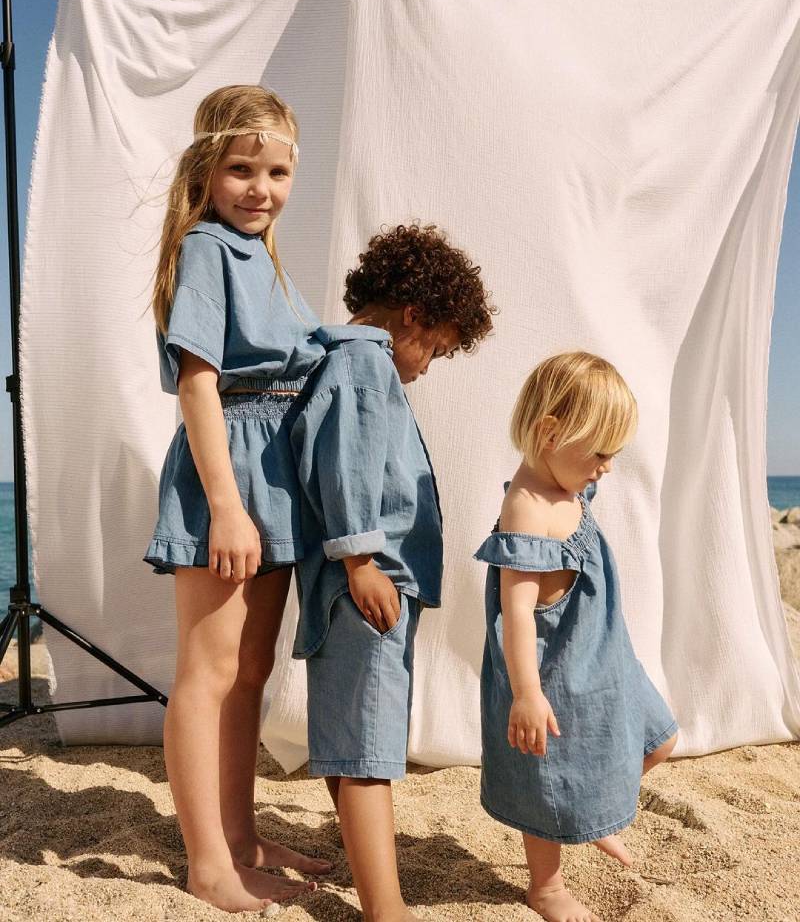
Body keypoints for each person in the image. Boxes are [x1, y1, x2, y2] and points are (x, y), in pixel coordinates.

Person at [144, 84, 331, 913]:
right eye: (241, 169)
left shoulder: (267, 261)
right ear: (206, 171)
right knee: (210, 671)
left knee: (251, 672)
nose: (261, 189)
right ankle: (207, 864)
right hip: (229, 476)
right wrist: (225, 505)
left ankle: (240, 834)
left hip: (275, 478)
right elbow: (198, 384)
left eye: (277, 172)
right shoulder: (207, 248)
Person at [290, 224, 496, 922]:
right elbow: (345, 466)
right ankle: (387, 908)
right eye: (434, 347)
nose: (430, 366)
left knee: (351, 740)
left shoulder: (347, 361)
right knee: (369, 750)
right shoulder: (363, 363)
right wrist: (360, 560)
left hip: (359, 579)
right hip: (371, 580)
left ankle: (371, 878)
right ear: (413, 314)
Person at [476, 351, 679, 922]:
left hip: (603, 657)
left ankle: (590, 812)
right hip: (554, 675)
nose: (607, 468)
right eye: (600, 453)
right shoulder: (527, 510)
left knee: (659, 739)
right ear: (550, 434)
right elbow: (516, 613)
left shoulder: (566, 486)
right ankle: (546, 886)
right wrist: (526, 693)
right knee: (548, 781)